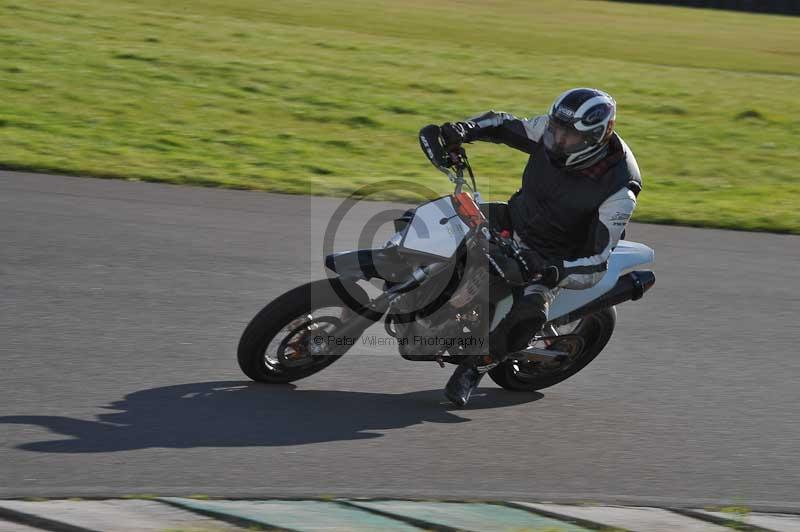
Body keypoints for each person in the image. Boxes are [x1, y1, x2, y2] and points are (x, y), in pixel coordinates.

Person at [423, 88, 643, 407]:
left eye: (567, 136)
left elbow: (596, 263)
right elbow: (503, 125)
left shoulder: (619, 189)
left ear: (594, 138)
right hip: (517, 217)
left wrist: (551, 271)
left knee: (527, 314)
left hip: (552, 256)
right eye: (555, 129)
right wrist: (462, 130)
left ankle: (476, 366)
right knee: (438, 221)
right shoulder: (555, 131)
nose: (556, 140)